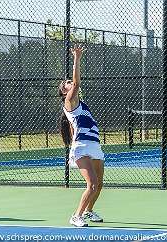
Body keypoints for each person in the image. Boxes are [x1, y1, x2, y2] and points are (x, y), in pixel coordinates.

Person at [58, 45, 105, 227]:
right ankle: (76, 216)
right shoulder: (69, 101)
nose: (71, 83)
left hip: (94, 146)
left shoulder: (81, 105)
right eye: (67, 83)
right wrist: (77, 58)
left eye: (70, 81)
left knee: (99, 184)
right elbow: (77, 84)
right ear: (64, 92)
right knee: (91, 184)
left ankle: (88, 211)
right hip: (82, 148)